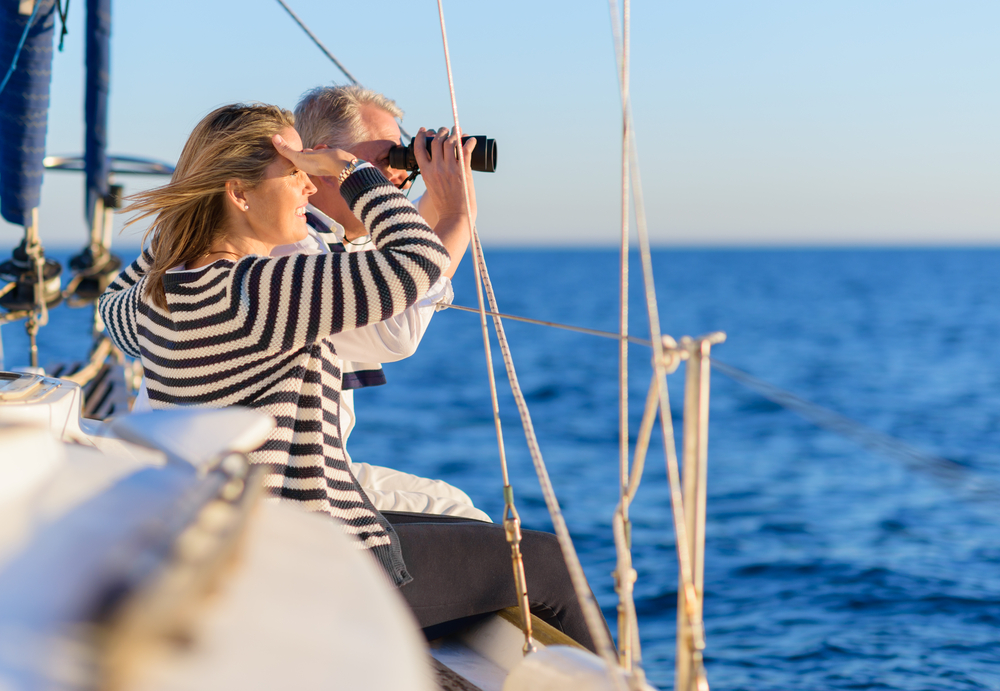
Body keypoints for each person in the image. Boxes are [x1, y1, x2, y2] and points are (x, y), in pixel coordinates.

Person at [100, 103, 601, 651]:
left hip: (240, 549)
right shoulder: (264, 290)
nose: (310, 185)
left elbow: (110, 303)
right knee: (547, 564)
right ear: (239, 194)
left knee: (478, 533)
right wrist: (355, 172)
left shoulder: (157, 297)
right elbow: (418, 262)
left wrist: (188, 215)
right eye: (296, 170)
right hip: (303, 568)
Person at [288, 84, 485, 520]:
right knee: (469, 524)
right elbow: (397, 335)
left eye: (402, 158)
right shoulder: (297, 248)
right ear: (324, 162)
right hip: (290, 483)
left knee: (458, 502)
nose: (398, 173)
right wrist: (458, 215)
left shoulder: (338, 239)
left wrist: (443, 186)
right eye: (383, 161)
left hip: (319, 464)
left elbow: (406, 246)